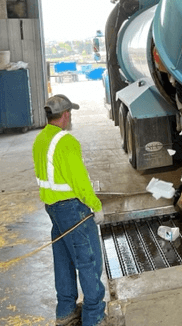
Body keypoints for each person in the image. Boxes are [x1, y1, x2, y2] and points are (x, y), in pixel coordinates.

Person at [32, 94, 108, 326]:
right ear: (65, 115)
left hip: (53, 208)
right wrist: (95, 206)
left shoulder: (41, 139)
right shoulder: (66, 142)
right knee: (89, 262)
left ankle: (65, 313)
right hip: (73, 210)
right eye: (70, 114)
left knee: (63, 261)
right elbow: (80, 181)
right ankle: (94, 317)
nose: (70, 118)